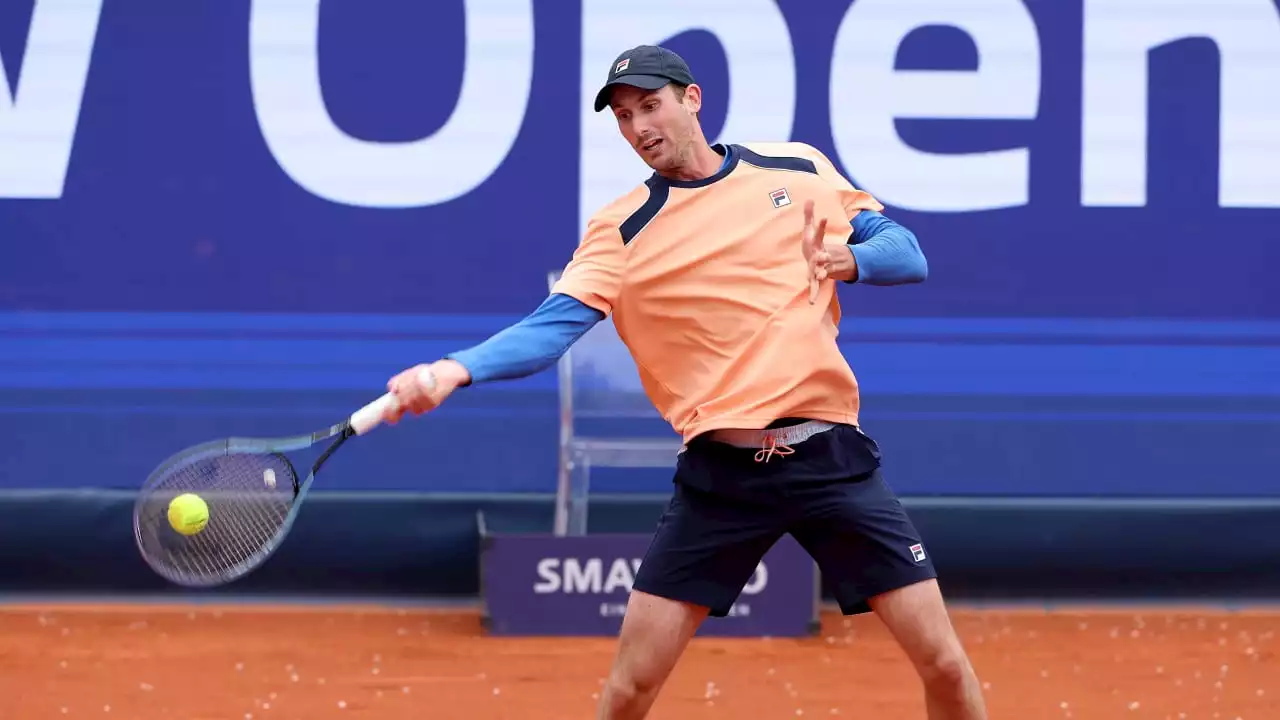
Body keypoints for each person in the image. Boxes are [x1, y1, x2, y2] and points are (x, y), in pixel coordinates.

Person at [382, 45, 987, 720]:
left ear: (691, 99)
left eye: (649, 106)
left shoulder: (798, 167)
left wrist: (848, 257)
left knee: (944, 665)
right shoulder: (622, 228)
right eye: (622, 116)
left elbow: (907, 253)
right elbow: (549, 329)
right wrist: (453, 369)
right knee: (630, 689)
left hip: (830, 461)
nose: (638, 127)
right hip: (720, 480)